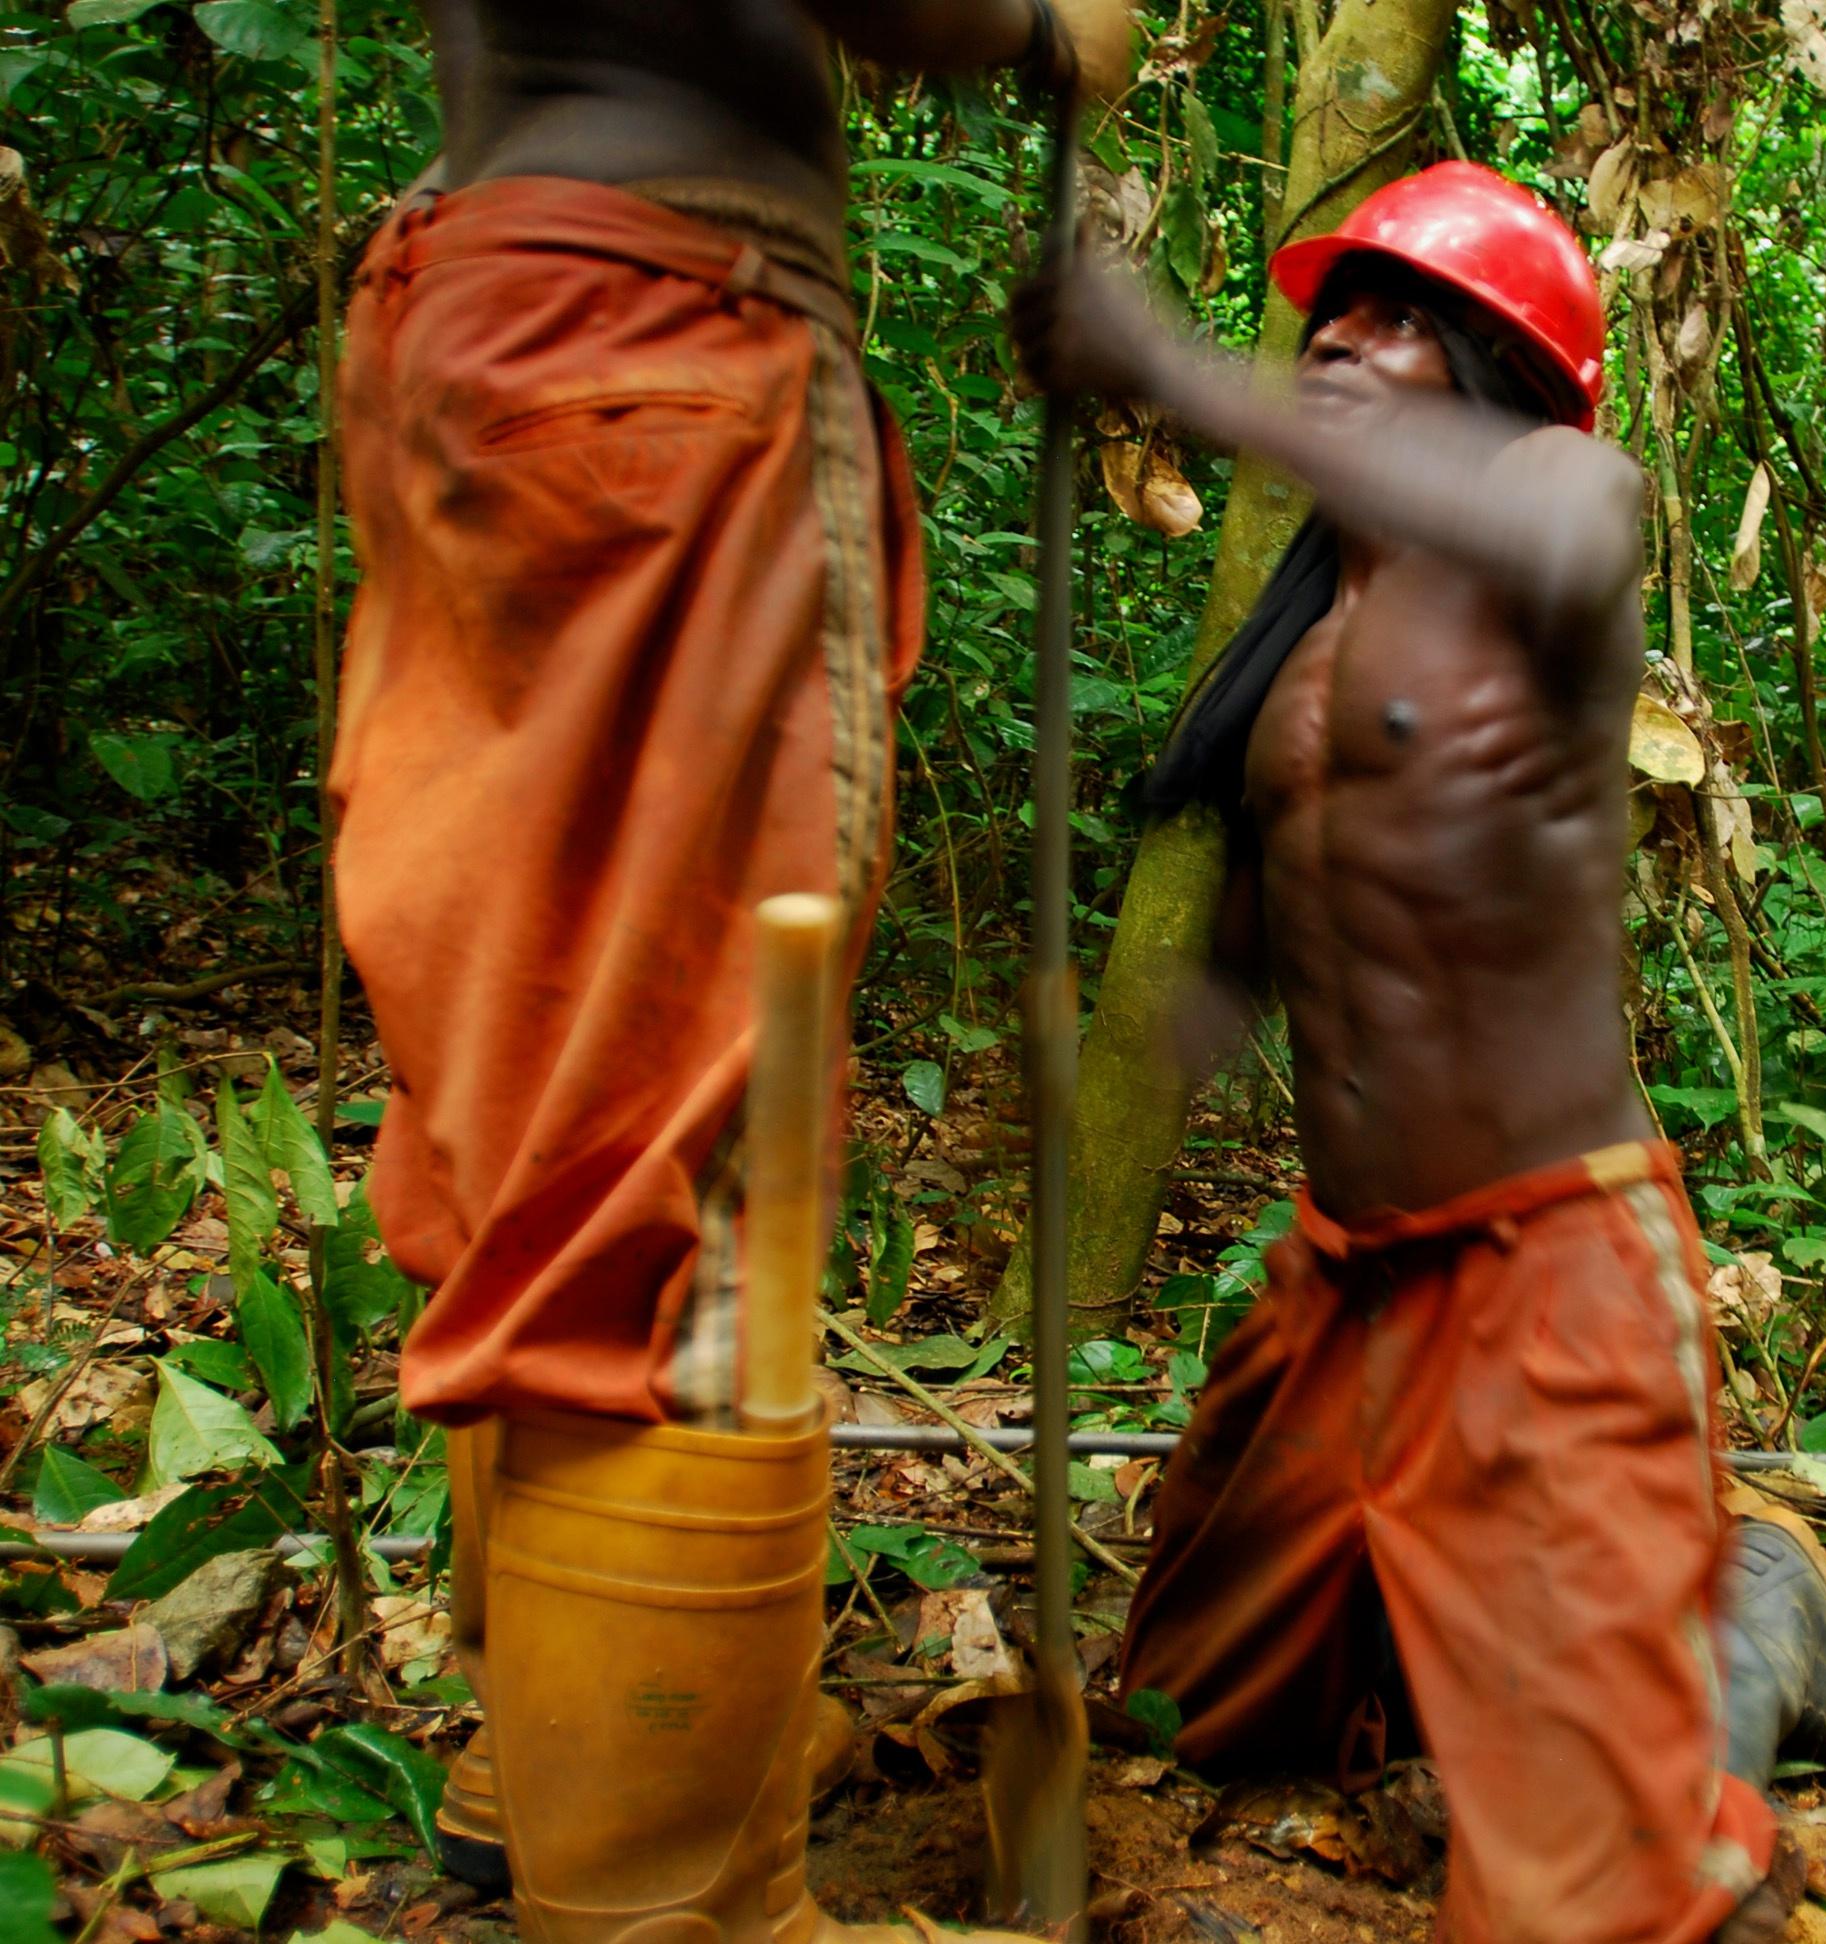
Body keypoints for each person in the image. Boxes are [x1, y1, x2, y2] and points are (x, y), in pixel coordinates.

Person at [1010, 161, 1826, 1944]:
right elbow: (1297, 947)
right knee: (1189, 1712)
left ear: (1502, 365)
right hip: (1347, 1293)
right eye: (1331, 308)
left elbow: (1558, 535)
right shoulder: (1297, 654)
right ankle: (1545, 1646)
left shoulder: (1565, 505)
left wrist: (1173, 365)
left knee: (1603, 1904)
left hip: (1547, 1270)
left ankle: (1745, 1621)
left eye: (1400, 317)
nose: (1339, 336)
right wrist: (1127, 1049)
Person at [329, 7, 1128, 1940]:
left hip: (490, 305)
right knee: (699, 1149)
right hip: (654, 330)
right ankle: (681, 1908)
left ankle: (550, 1770)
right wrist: (1031, 24)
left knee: (552, 1078)